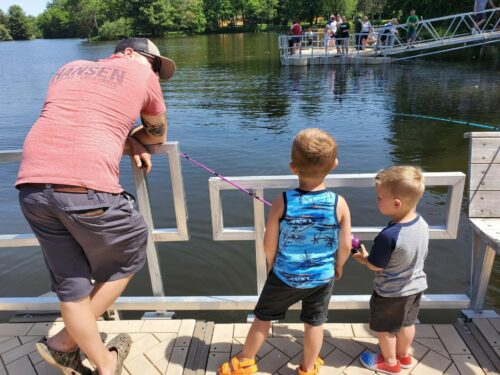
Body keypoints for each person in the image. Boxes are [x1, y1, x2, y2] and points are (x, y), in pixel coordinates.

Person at [16, 37, 176, 375]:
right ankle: (65, 345)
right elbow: (157, 135)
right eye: (154, 63)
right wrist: (135, 139)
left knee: (71, 285)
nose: (156, 73)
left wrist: (125, 139)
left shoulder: (67, 68)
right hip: (84, 187)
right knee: (132, 245)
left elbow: (80, 117)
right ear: (130, 53)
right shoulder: (142, 74)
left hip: (31, 186)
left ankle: (97, 358)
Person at [218, 128, 352, 375]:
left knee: (263, 317)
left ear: (293, 167)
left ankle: (246, 362)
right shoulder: (339, 203)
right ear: (334, 165)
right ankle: (308, 368)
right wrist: (339, 265)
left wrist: (271, 262)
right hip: (322, 277)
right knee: (314, 324)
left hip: (284, 274)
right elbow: (344, 245)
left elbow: (270, 241)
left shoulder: (283, 201)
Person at [352, 166, 428, 375]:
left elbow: (376, 265)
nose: (376, 201)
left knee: (385, 330)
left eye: (379, 198)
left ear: (396, 203)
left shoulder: (389, 236)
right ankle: (403, 355)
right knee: (407, 323)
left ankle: (390, 362)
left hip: (390, 293)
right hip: (415, 286)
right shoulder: (421, 223)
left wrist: (362, 258)